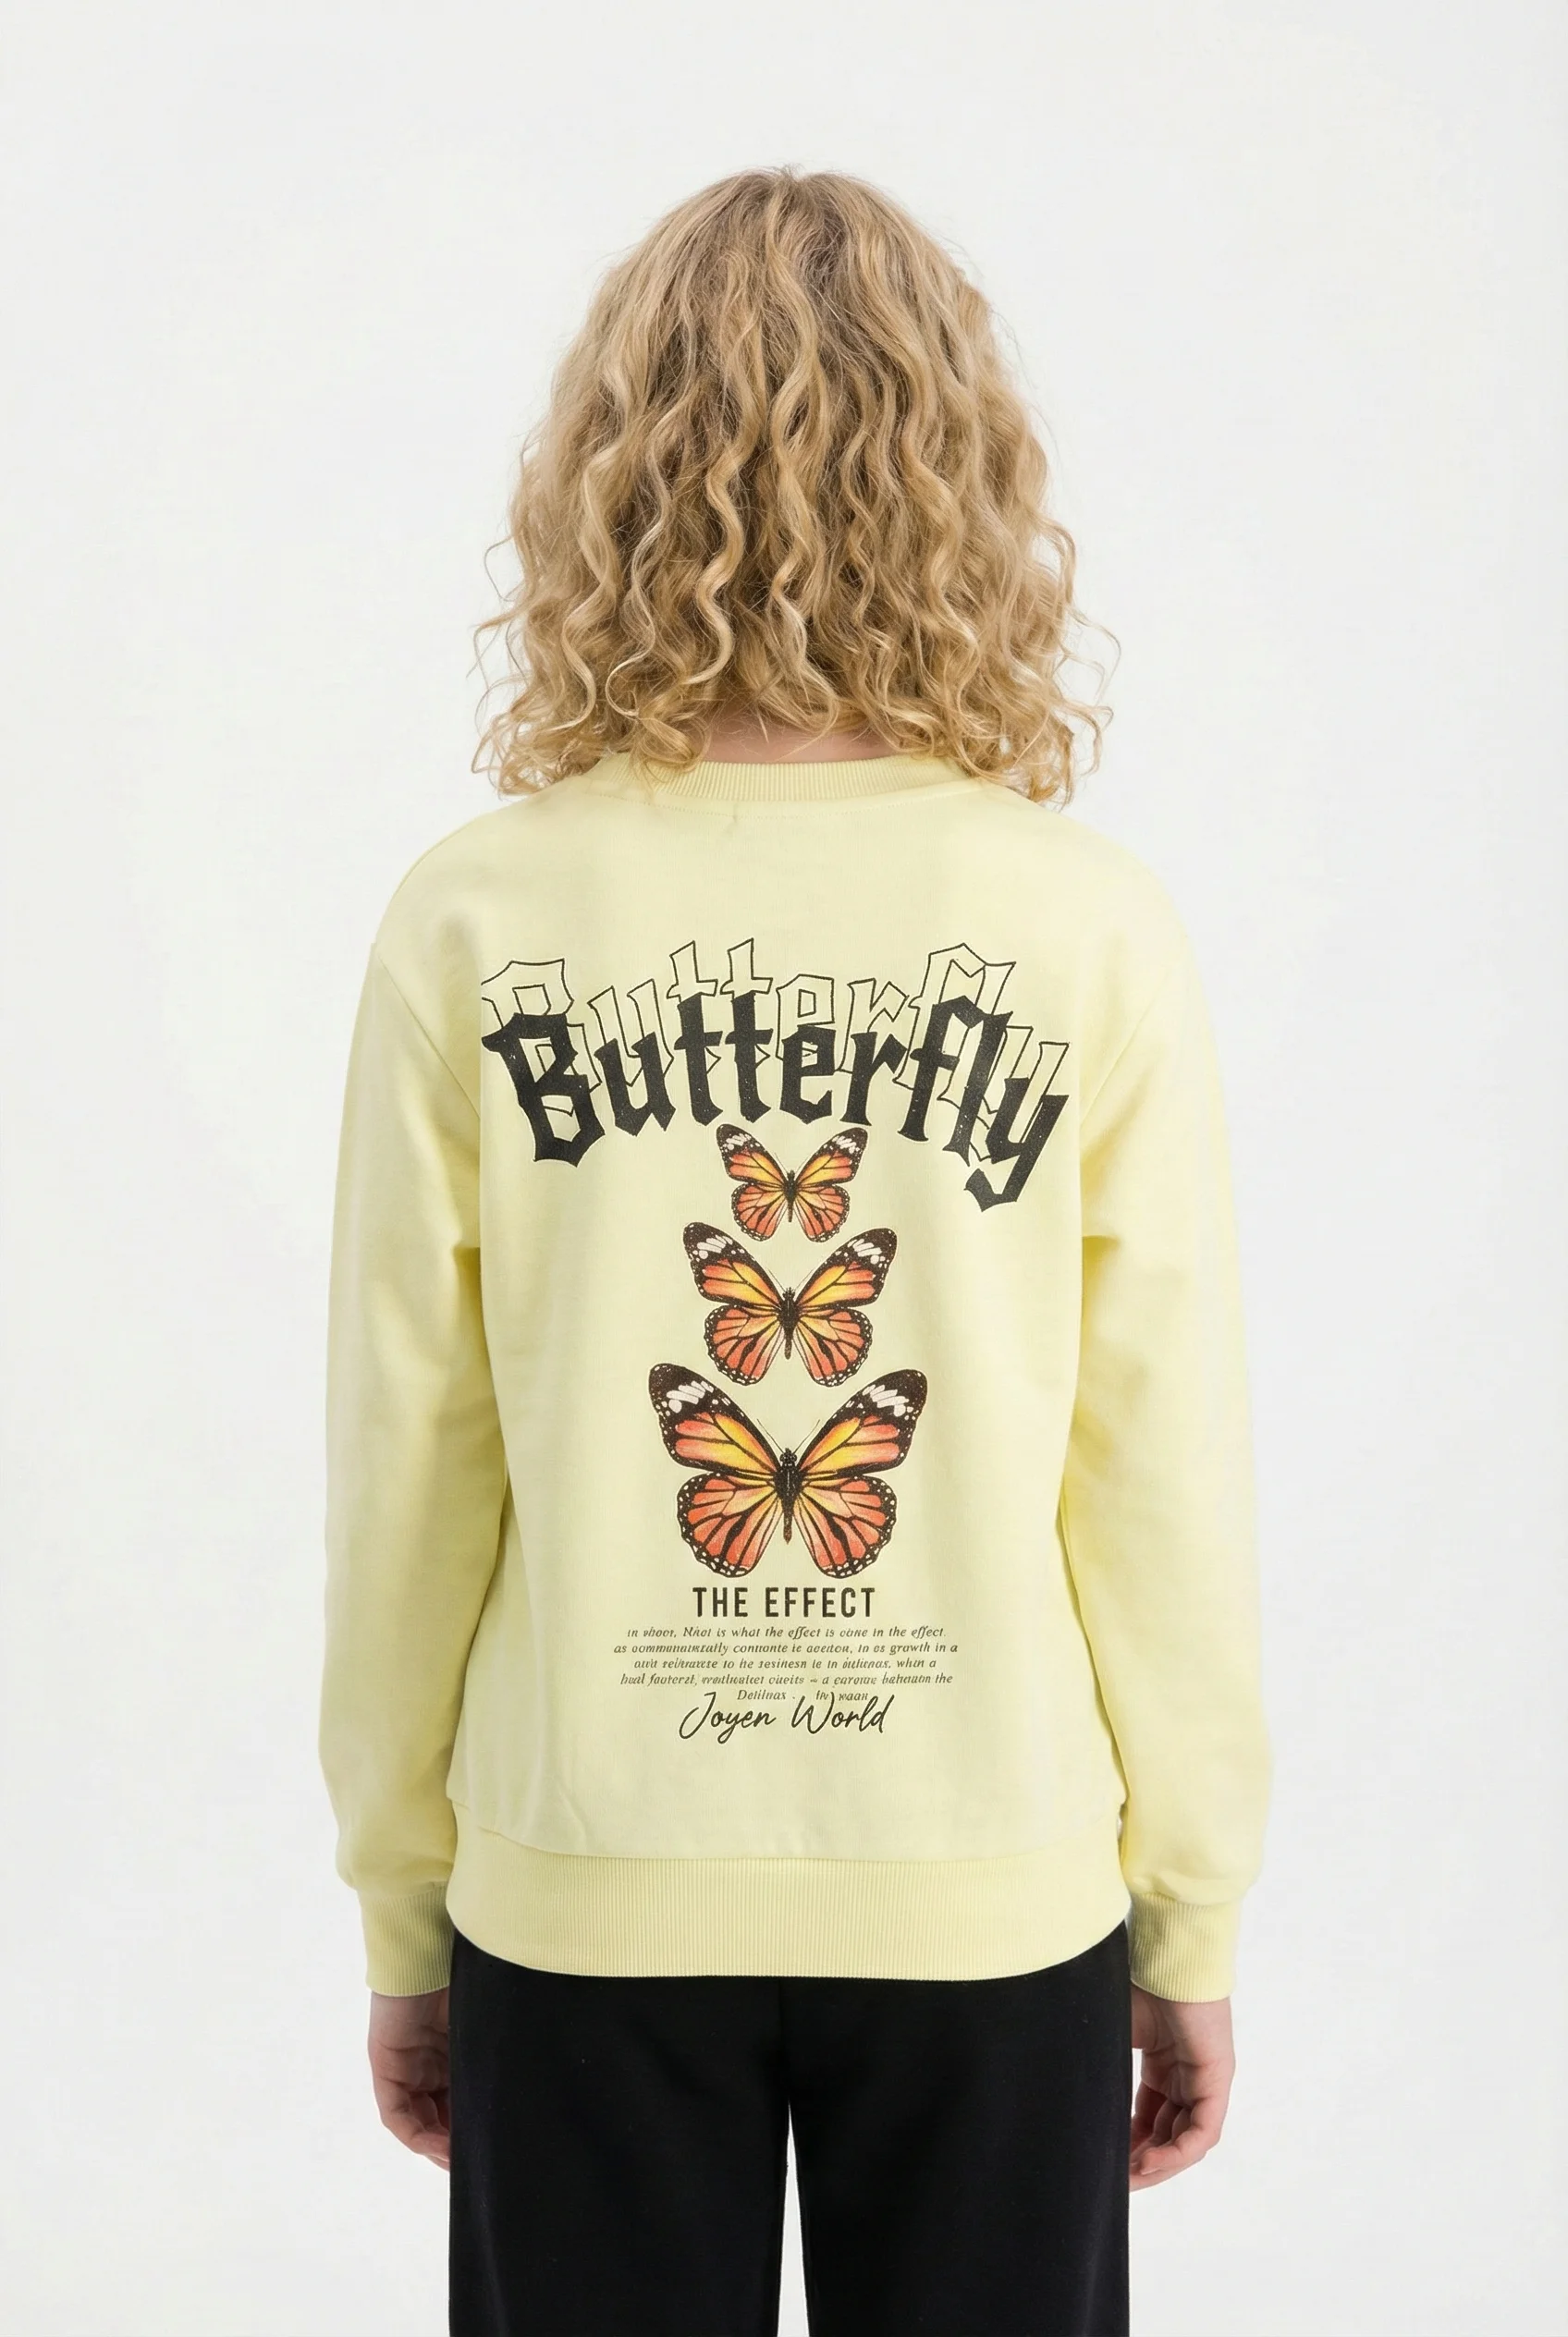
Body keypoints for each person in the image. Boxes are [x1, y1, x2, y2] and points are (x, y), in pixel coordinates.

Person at [319, 166, 1271, 2337]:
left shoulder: (478, 918)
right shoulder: (1080, 924)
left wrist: (403, 1899)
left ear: (607, 480)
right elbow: (1157, 1467)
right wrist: (1190, 1910)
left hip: (581, 1880)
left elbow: (408, 1462)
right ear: (965, 485)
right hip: (989, 1887)